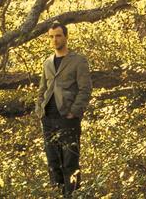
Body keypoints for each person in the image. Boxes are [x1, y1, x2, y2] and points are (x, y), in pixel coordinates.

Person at [36, 20, 92, 195]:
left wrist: (74, 112)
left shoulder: (78, 61)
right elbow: (42, 89)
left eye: (58, 36)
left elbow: (85, 89)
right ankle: (58, 195)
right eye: (51, 37)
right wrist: (39, 110)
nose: (55, 40)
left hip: (67, 118)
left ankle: (73, 195)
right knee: (53, 163)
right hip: (48, 119)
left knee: (70, 162)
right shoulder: (47, 62)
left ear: (66, 37)